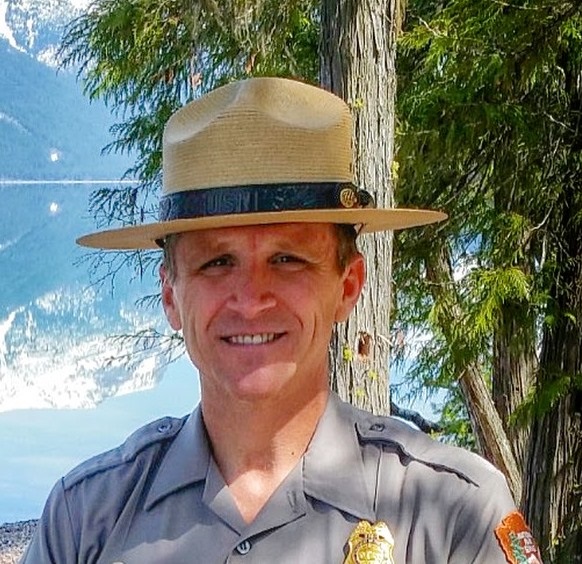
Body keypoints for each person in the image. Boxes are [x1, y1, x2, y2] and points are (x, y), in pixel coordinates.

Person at [22, 77, 541, 563]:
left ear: (348, 286)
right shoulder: (85, 520)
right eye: (216, 262)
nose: (250, 299)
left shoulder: (454, 515)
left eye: (288, 259)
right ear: (170, 296)